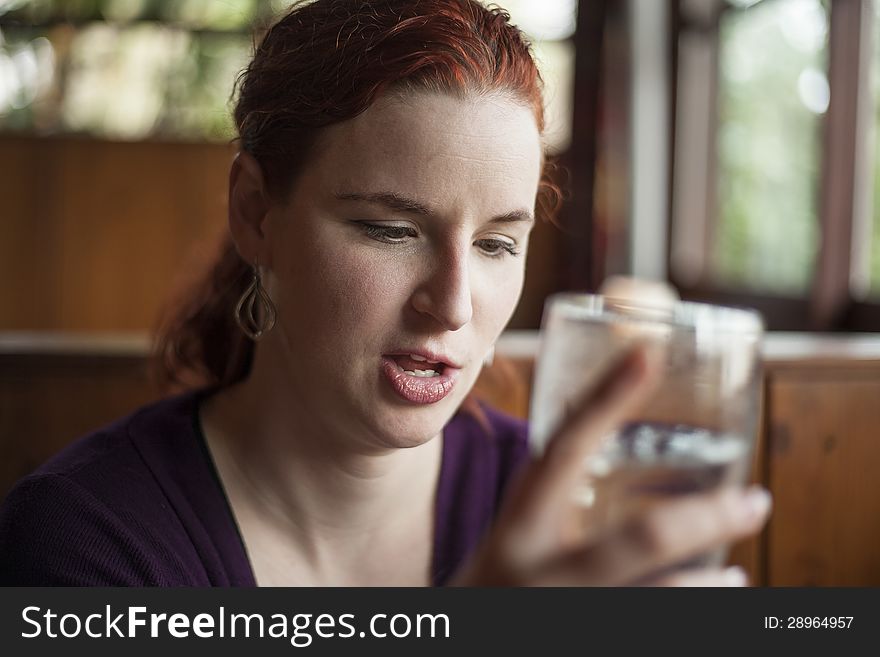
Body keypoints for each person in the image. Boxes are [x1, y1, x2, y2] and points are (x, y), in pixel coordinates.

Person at [0, 0, 770, 586]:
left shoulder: (571, 511)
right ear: (255, 212)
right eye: (390, 230)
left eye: (498, 243)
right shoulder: (82, 539)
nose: (454, 303)